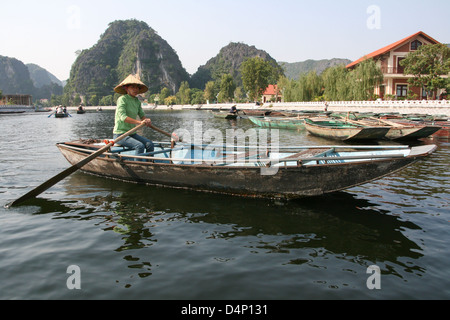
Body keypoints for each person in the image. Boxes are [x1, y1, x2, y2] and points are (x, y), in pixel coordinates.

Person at [113, 74, 154, 158]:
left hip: (132, 133)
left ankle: (149, 164)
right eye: (133, 87)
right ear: (126, 88)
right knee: (139, 146)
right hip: (120, 134)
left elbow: (142, 115)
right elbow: (123, 117)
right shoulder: (122, 99)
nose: (135, 89)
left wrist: (146, 120)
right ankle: (138, 167)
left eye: (137, 87)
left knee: (150, 144)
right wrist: (140, 122)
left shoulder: (137, 101)